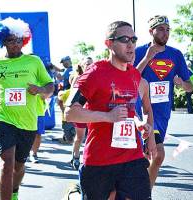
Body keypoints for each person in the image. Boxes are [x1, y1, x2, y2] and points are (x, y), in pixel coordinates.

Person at [65, 21, 156, 200]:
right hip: (100, 160)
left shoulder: (134, 75)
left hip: (132, 157)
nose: (130, 44)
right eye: (124, 39)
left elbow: (129, 111)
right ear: (109, 43)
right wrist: (107, 116)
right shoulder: (94, 73)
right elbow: (70, 112)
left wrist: (140, 124)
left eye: (133, 39)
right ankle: (73, 195)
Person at [0, 17, 54, 200]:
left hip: (27, 120)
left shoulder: (34, 61)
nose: (15, 44)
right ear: (3, 41)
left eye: (19, 40)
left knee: (19, 166)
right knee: (7, 161)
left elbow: (50, 85)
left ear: (24, 40)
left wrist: (41, 90)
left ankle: (14, 191)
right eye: (11, 40)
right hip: (3, 117)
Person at [134, 15, 193, 189]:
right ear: (151, 31)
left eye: (167, 30)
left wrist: (182, 84)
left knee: (153, 156)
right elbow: (129, 78)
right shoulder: (138, 52)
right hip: (142, 111)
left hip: (162, 113)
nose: (165, 33)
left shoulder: (175, 54)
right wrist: (146, 58)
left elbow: (190, 87)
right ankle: (144, 193)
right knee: (156, 155)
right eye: (160, 29)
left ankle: (144, 192)